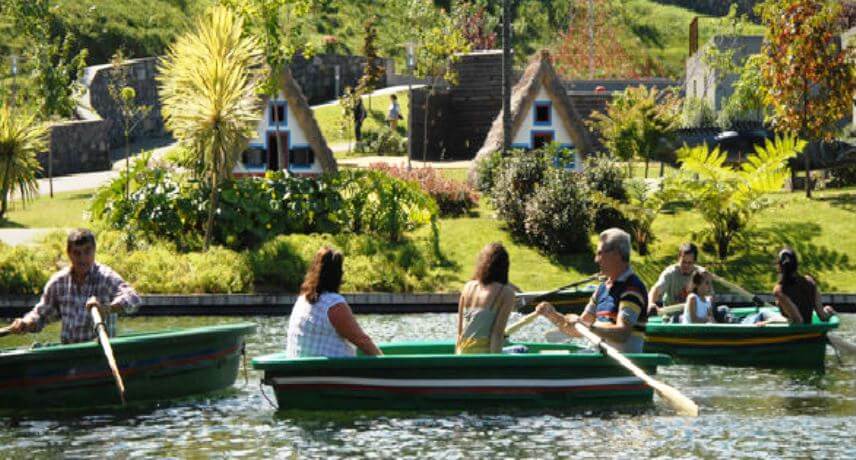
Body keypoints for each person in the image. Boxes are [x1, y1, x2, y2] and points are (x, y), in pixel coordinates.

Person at [5, 229, 141, 344]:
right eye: (77, 253)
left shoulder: (105, 277)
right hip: (70, 355)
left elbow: (133, 298)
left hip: (99, 353)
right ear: (69, 254)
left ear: (94, 250)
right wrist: (25, 323)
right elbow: (40, 316)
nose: (82, 258)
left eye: (87, 251)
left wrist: (107, 308)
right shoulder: (58, 282)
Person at [536, 228, 648, 353]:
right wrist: (552, 315)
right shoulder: (602, 289)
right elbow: (579, 328)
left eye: (600, 253)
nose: (596, 259)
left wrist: (588, 327)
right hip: (599, 359)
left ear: (616, 254)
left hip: (618, 365)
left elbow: (622, 333)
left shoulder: (632, 288)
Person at [286, 246, 382, 357]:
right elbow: (362, 340)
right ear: (338, 274)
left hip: (299, 370)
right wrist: (385, 364)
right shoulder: (333, 304)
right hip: (331, 372)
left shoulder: (302, 300)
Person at [456, 242, 517, 354]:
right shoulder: (506, 292)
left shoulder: (467, 287)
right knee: (522, 349)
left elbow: (460, 333)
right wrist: (494, 366)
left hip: (463, 352)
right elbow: (497, 334)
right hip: (485, 354)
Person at [758, 247, 836, 326]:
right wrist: (828, 311)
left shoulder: (779, 290)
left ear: (779, 266)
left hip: (793, 330)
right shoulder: (810, 282)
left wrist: (768, 322)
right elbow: (823, 316)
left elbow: (797, 320)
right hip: (808, 328)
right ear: (796, 265)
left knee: (762, 313)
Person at [648, 242, 708, 316]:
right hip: (672, 317)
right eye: (683, 262)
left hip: (695, 317)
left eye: (689, 263)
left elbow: (710, 297)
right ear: (678, 258)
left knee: (722, 310)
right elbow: (656, 289)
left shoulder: (701, 274)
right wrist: (651, 303)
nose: (686, 265)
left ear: (695, 262)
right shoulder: (670, 273)